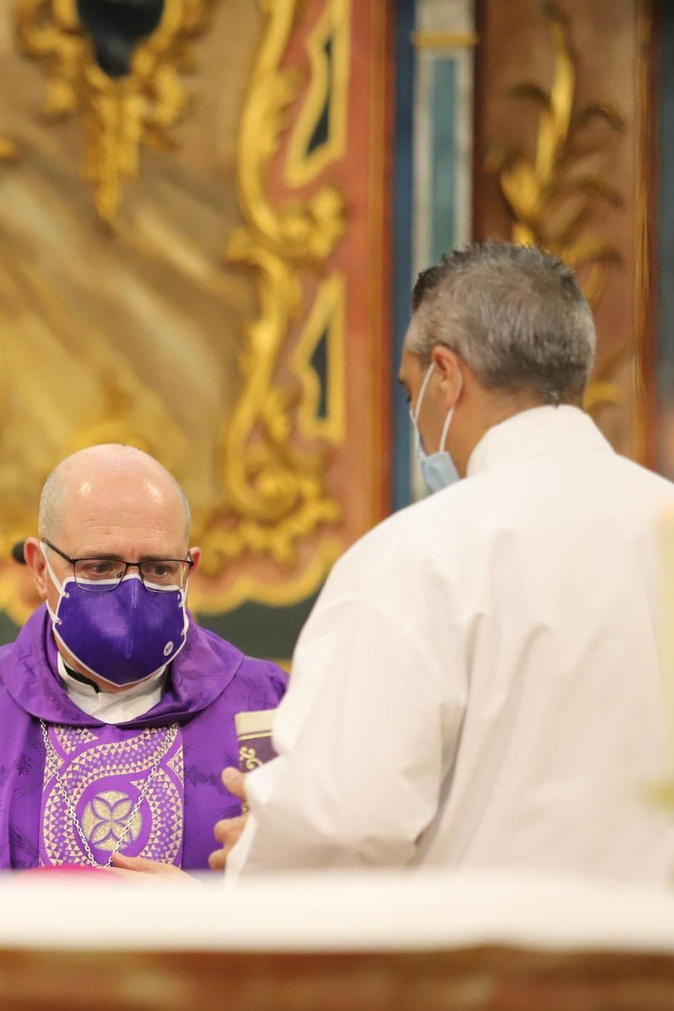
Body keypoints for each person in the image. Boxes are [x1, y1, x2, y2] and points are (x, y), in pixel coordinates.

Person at [216, 241, 674, 884]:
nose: (417, 415)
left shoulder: (421, 554)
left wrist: (254, 853)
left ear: (446, 375)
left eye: (411, 390)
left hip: (501, 969)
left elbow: (345, 823)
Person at [0, 445, 288, 872]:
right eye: (99, 567)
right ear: (42, 568)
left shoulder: (276, 714)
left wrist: (209, 908)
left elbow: (335, 892)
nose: (130, 593)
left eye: (159, 569)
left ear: (190, 570)